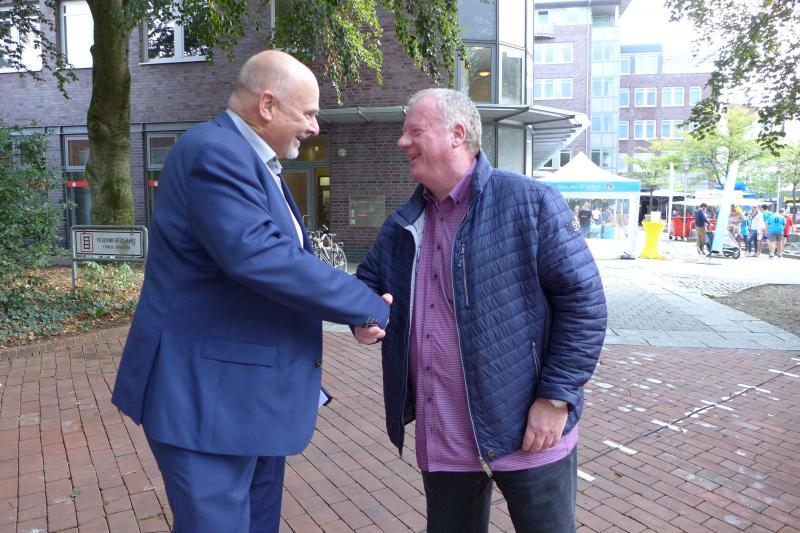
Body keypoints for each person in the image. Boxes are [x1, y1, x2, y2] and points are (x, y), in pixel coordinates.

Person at [111, 50, 391, 533]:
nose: (314, 127)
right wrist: (366, 306)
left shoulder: (254, 162)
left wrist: (354, 314)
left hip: (245, 397)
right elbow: (261, 257)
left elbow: (282, 263)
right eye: (308, 113)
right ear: (267, 105)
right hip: (205, 399)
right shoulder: (214, 152)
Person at [355, 88, 607, 533]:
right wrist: (362, 316)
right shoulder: (403, 224)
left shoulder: (530, 203)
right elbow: (365, 285)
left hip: (528, 431)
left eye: (414, 131)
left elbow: (584, 302)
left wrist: (556, 398)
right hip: (444, 435)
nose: (401, 142)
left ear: (457, 134)